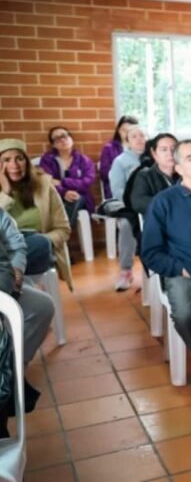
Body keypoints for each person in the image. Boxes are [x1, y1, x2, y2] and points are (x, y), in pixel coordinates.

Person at [141, 140, 191, 389]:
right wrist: (180, 269)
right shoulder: (164, 201)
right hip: (185, 271)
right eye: (190, 158)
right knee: (186, 314)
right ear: (177, 167)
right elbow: (150, 251)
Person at [0, 208, 54, 438]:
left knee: (42, 306)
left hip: (5, 281)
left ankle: (13, 368)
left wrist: (17, 271)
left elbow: (15, 245)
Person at [0, 139, 73, 289]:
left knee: (39, 243)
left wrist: (42, 240)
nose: (14, 165)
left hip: (35, 248)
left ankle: (16, 285)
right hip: (5, 250)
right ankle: (21, 285)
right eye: (6, 160)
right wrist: (5, 194)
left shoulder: (44, 186)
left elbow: (63, 229)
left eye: (19, 158)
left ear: (27, 162)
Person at [108, 125, 147, 291]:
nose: (139, 139)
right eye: (134, 136)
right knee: (125, 225)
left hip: (149, 203)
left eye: (142, 135)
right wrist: (135, 201)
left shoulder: (153, 157)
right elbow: (117, 189)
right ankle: (126, 271)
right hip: (128, 204)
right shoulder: (120, 161)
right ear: (128, 141)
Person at [38, 126, 97, 227]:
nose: (62, 139)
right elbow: (46, 180)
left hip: (80, 197)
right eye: (57, 138)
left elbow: (87, 182)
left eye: (64, 135)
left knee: (75, 198)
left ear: (71, 138)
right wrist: (64, 192)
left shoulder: (84, 160)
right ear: (53, 144)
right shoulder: (47, 160)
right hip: (55, 197)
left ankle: (61, 235)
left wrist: (62, 182)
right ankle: (61, 235)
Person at [127, 133, 178, 218]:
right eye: (164, 149)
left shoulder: (187, 174)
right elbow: (138, 202)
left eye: (174, 149)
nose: (170, 153)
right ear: (154, 154)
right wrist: (172, 205)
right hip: (159, 222)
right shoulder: (145, 176)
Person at [99, 115, 139, 199]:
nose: (126, 134)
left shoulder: (141, 148)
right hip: (116, 186)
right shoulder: (109, 148)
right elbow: (104, 173)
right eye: (123, 130)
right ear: (118, 131)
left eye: (129, 130)